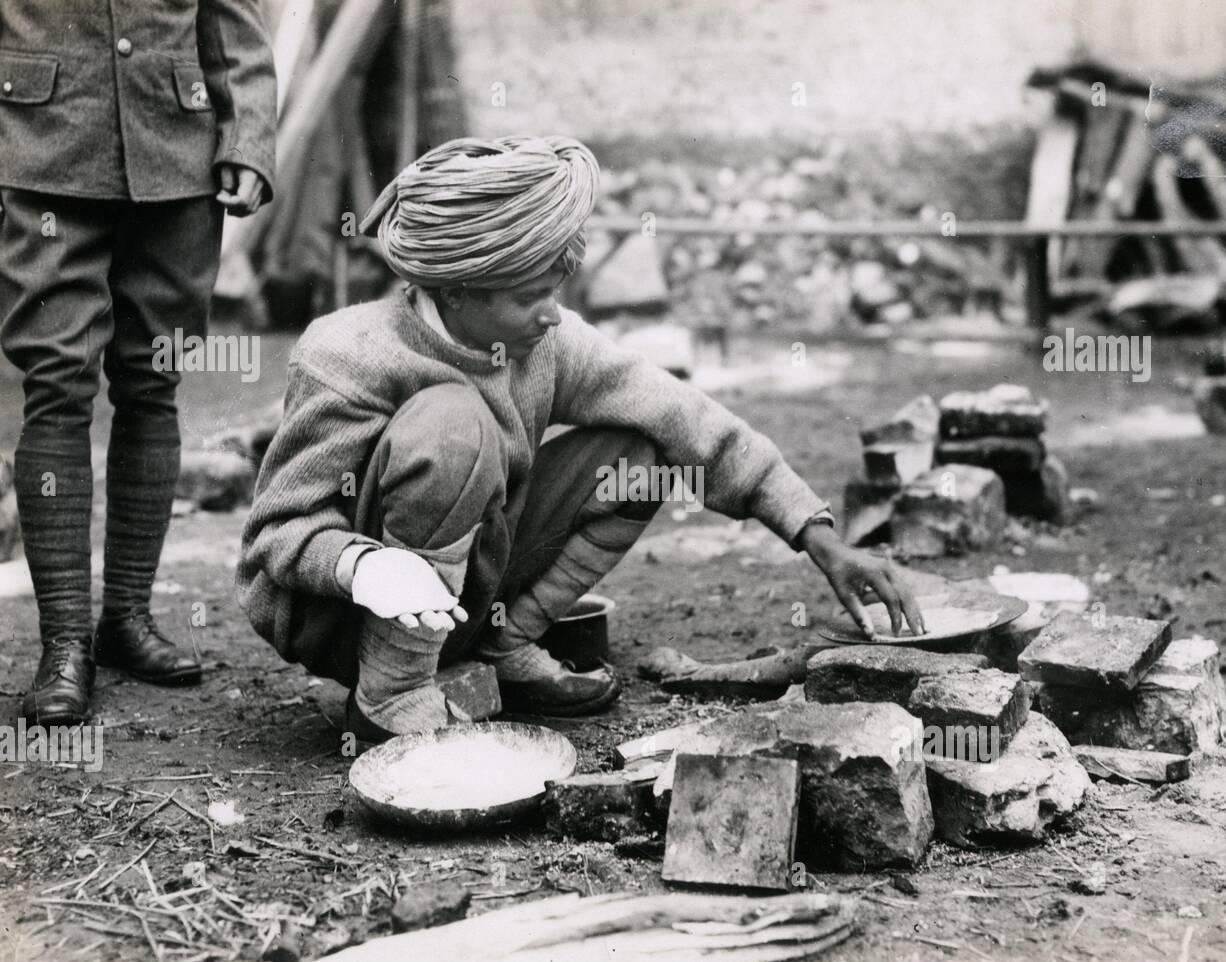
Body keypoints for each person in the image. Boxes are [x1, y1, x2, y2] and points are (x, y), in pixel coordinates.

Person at [237, 135, 923, 737]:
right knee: (452, 425)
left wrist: (819, 536)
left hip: (465, 592)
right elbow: (278, 533)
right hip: (338, 615)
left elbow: (682, 414)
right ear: (455, 294)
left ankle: (501, 641)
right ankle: (390, 694)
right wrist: (364, 566)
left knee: (644, 453)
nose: (552, 314)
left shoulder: (544, 342)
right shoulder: (346, 354)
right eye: (530, 294)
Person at [0, 1, 277, 723]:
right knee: (55, 384)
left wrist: (246, 138)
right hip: (41, 150)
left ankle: (126, 616)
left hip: (176, 156)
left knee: (153, 383)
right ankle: (64, 643)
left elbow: (235, 21)